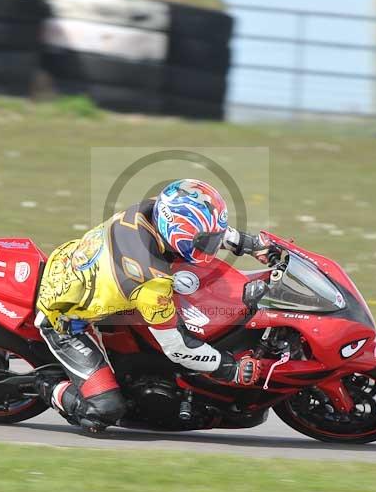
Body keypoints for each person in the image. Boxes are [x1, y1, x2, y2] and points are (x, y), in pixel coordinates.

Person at [34, 178, 271, 432]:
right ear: (178, 234)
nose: (212, 246)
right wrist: (229, 368)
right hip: (64, 320)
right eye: (206, 242)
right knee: (104, 410)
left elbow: (197, 227)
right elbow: (177, 347)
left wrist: (251, 243)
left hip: (78, 267)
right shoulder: (150, 280)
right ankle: (46, 386)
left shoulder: (150, 210)